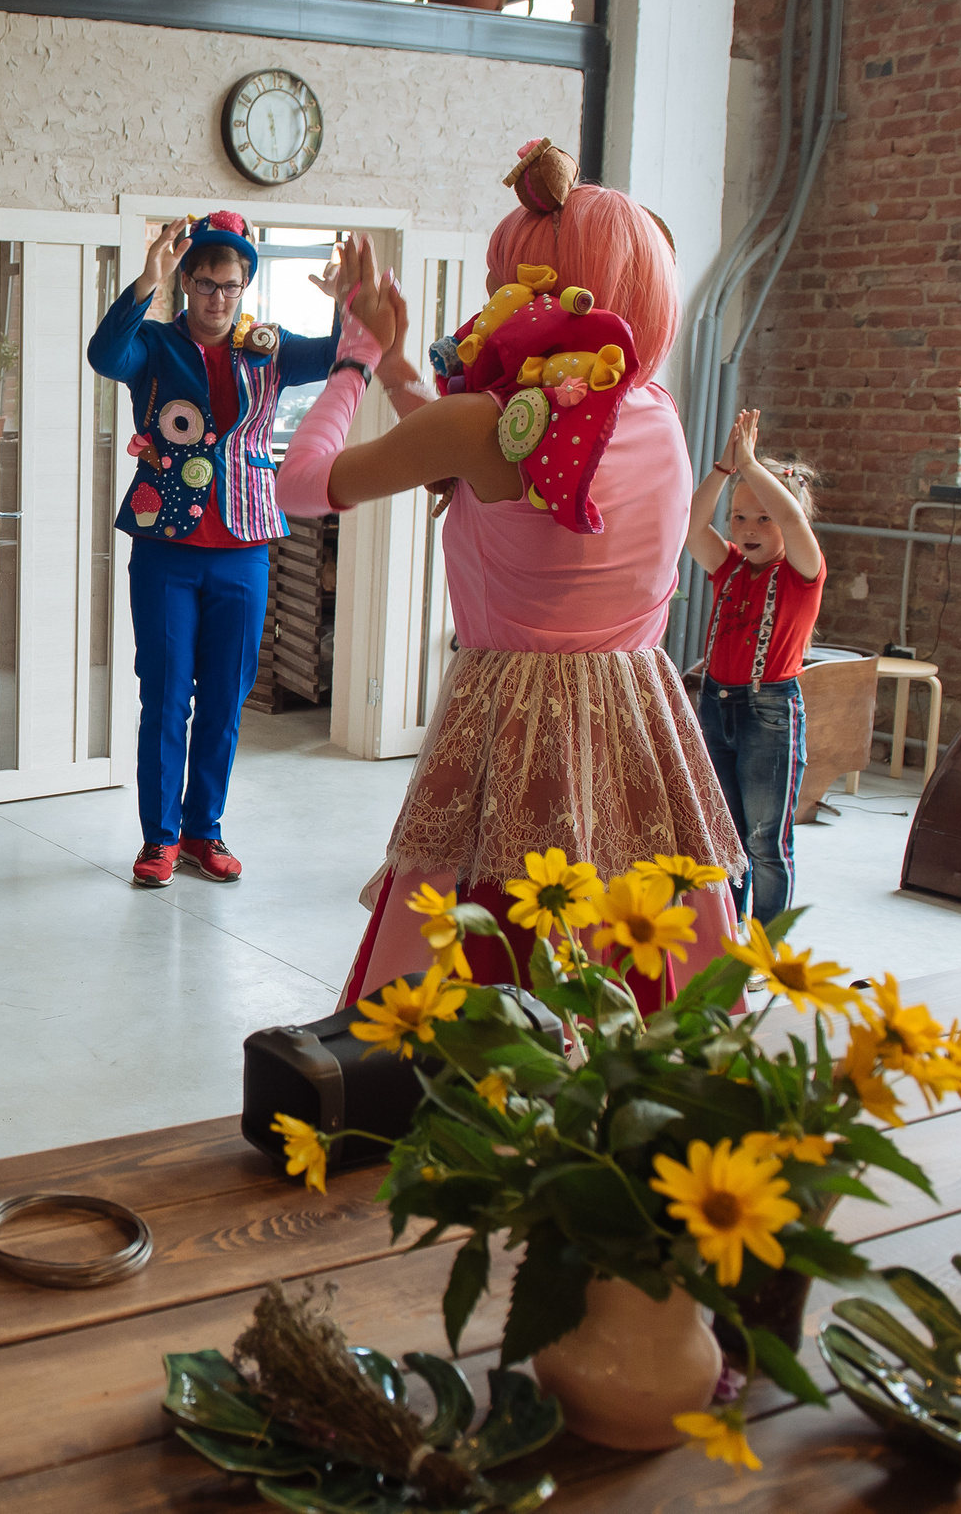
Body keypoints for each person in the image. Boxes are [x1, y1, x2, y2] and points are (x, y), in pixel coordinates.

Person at [278, 140, 744, 1009]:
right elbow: (493, 451)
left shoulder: (486, 425)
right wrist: (399, 362)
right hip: (640, 714)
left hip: (517, 720)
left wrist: (354, 357)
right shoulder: (652, 412)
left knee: (496, 966)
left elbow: (303, 485)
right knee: (645, 958)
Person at [87, 209, 380, 888]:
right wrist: (143, 283)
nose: (218, 298)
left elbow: (343, 357)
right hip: (165, 542)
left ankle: (203, 830)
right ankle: (159, 837)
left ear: (244, 286)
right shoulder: (154, 344)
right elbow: (106, 355)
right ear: (185, 281)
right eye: (206, 283)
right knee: (165, 695)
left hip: (246, 540)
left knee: (226, 695)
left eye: (230, 285)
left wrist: (347, 303)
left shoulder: (268, 347)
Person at [685, 410, 825, 925]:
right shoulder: (728, 567)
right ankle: (726, 936)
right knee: (726, 832)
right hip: (716, 704)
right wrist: (725, 471)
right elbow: (691, 525)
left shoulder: (802, 573)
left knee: (767, 838)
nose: (748, 528)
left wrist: (751, 465)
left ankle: (766, 947)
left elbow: (792, 521)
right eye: (740, 517)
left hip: (770, 711)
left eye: (762, 517)